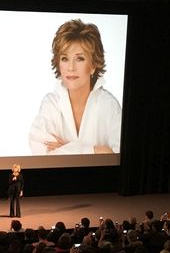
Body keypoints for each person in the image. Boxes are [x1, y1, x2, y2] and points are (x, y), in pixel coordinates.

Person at [29, 19, 121, 155]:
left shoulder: (109, 105)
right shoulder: (51, 103)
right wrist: (95, 151)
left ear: (93, 65)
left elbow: (119, 155)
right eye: (65, 59)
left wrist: (70, 149)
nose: (71, 67)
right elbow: (41, 152)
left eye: (80, 59)